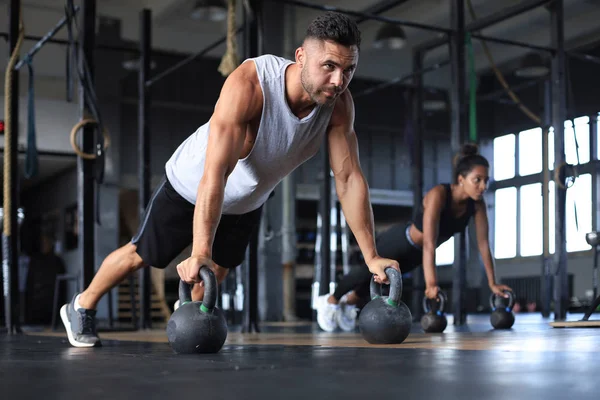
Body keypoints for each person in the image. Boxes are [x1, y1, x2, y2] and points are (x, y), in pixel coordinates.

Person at [60, 12, 400, 348]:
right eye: (329, 66)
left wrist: (371, 256)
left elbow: (349, 177)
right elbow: (216, 172)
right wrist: (200, 249)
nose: (339, 81)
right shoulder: (251, 84)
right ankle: (82, 305)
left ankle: (190, 315)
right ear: (301, 56)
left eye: (348, 69)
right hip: (192, 186)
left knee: (218, 269)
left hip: (248, 199)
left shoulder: (338, 106)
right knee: (142, 255)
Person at [316, 143, 513, 332]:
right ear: (461, 179)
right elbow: (429, 241)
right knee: (364, 272)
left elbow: (484, 244)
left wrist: (492, 282)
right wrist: (431, 284)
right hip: (402, 241)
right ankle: (330, 302)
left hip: (417, 254)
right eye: (477, 180)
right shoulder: (439, 195)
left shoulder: (477, 206)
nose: (483, 186)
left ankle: (347, 304)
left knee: (375, 284)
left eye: (486, 180)